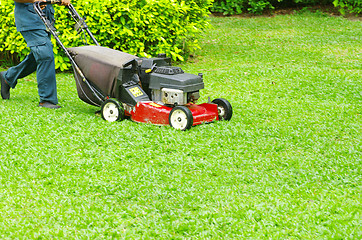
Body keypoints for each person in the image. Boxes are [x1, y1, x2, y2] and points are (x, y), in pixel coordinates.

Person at [0, 0, 70, 109]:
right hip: (29, 18)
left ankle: (8, 77)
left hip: (45, 17)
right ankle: (47, 100)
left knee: (37, 56)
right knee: (45, 54)